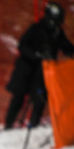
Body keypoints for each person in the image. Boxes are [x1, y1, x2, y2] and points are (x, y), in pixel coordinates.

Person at [4, 1, 74, 130]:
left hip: (43, 72)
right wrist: (37, 54)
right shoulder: (35, 29)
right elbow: (23, 46)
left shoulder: (57, 33)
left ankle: (34, 124)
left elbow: (66, 47)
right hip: (26, 69)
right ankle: (8, 124)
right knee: (19, 97)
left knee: (40, 97)